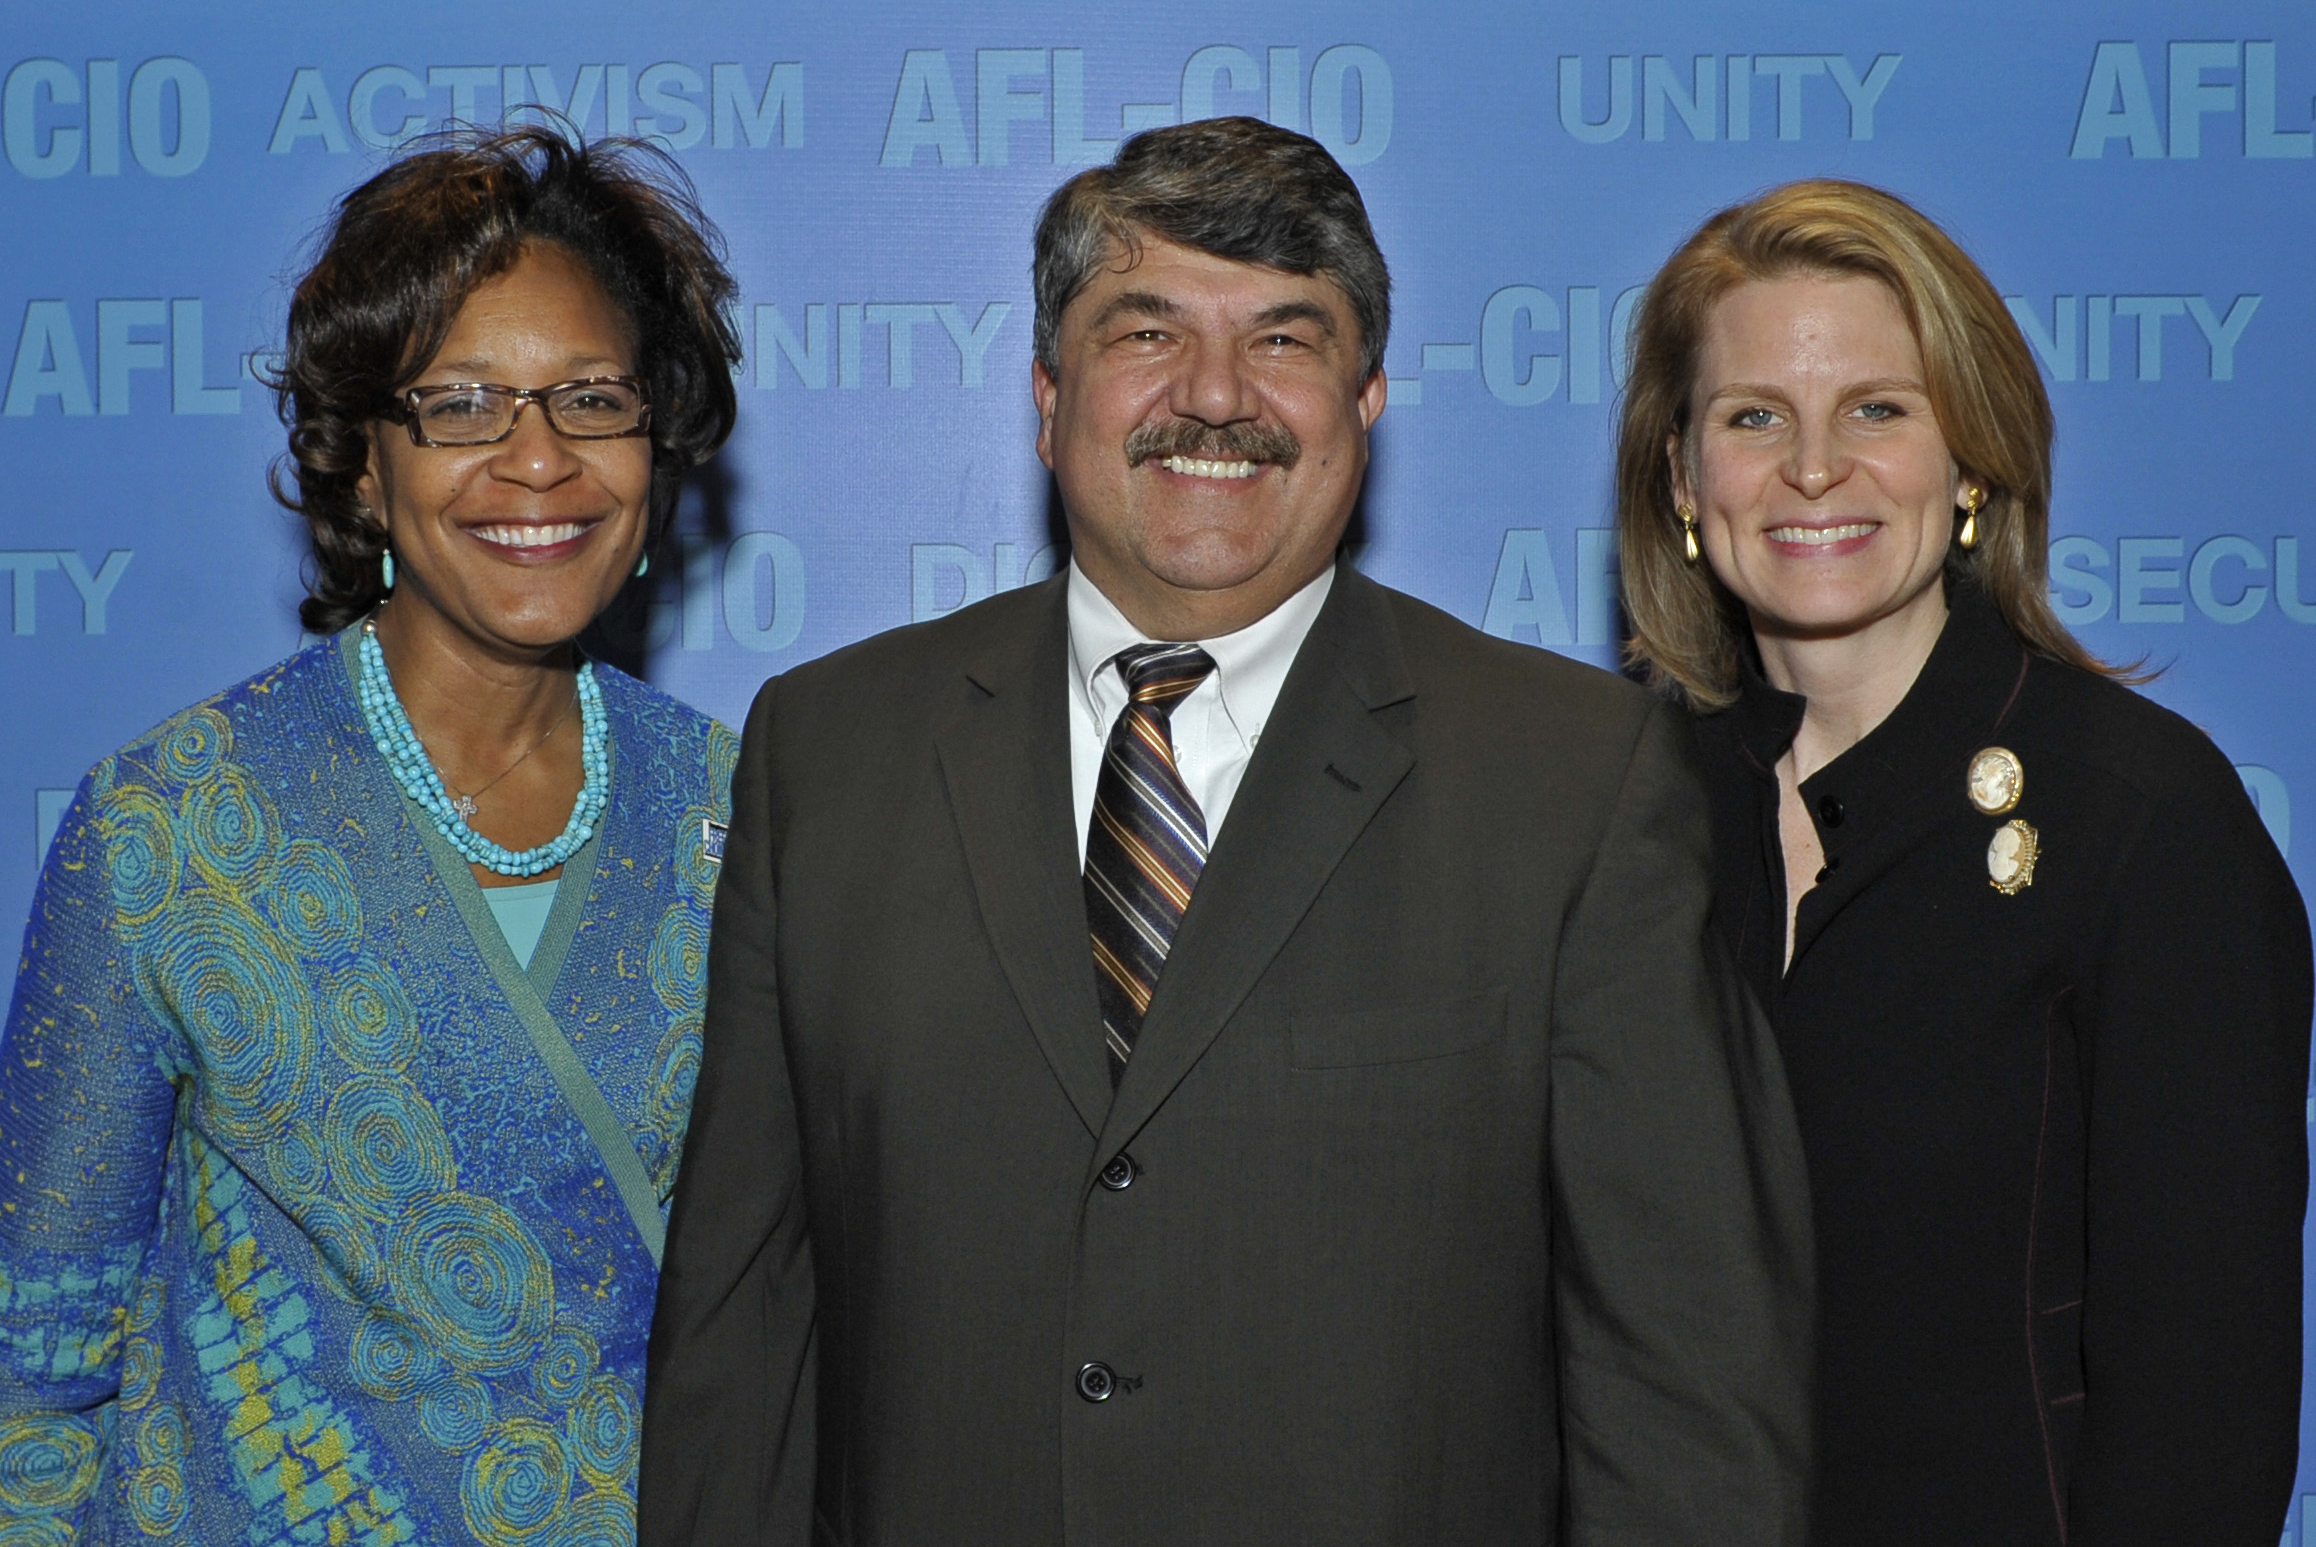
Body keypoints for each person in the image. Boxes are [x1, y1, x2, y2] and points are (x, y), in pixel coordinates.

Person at [641, 117, 1814, 1547]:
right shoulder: (829, 754)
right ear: (1046, 391)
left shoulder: (1580, 782)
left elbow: (1683, 1387)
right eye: (1147, 333)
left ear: (1367, 397)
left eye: (1284, 340)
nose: (1215, 397)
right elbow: (742, 1333)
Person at [0, 126, 744, 1543]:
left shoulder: (744, 816)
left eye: (593, 399)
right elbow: (33, 1378)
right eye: (462, 406)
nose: (540, 463)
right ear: (359, 464)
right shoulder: (170, 832)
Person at [1616, 177, 2311, 1546]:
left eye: (1880, 409)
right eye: (1755, 418)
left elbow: (2205, 1412)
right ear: (1685, 479)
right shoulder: (1613, 810)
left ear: (1975, 459)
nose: (1816, 470)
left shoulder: (2142, 819)